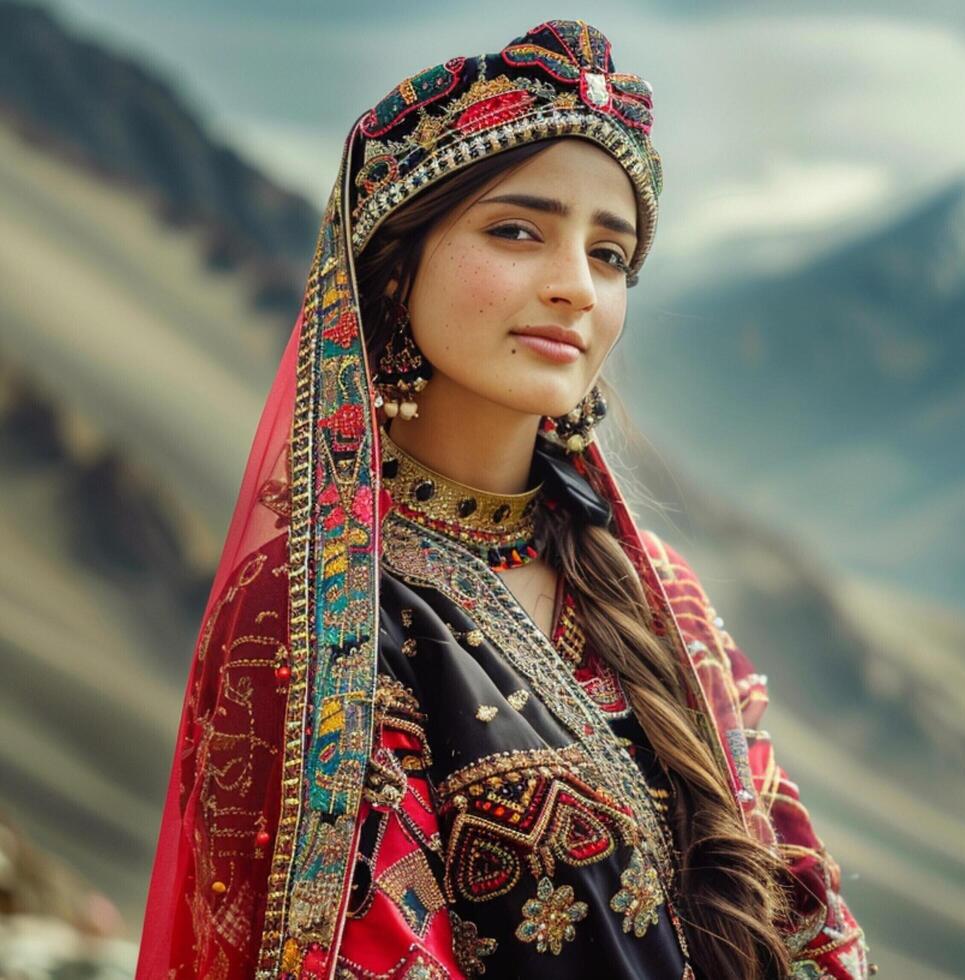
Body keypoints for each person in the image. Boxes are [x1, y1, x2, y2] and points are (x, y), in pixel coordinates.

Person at [135, 20, 870, 980]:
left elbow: (811, 927)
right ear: (396, 272)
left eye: (609, 256)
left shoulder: (665, 602)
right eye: (517, 231)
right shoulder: (316, 614)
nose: (573, 286)